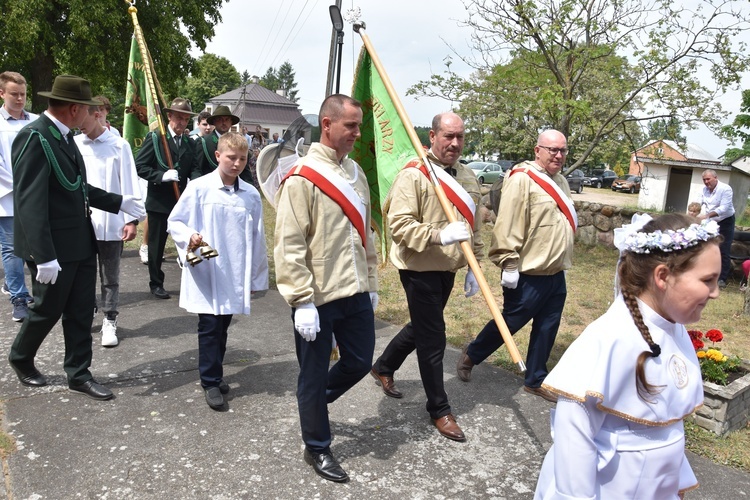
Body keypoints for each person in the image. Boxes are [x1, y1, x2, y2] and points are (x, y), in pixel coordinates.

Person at [534, 213, 720, 499]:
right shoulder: (611, 336)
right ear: (662, 276)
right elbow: (575, 434)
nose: (715, 293)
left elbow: (668, 425)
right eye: (708, 280)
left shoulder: (674, 329)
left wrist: (677, 483)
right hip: (613, 487)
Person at [7, 75, 145, 400]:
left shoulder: (65, 137)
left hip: (81, 241)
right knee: (47, 310)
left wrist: (118, 202)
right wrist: (43, 255)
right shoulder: (35, 138)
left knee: (81, 310)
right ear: (73, 109)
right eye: (87, 108)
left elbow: (77, 188)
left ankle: (79, 373)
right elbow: (29, 202)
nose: (91, 114)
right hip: (53, 248)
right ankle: (21, 357)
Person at [274, 94, 378, 483]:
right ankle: (317, 445)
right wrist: (300, 300)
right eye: (350, 125)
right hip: (316, 298)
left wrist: (371, 281)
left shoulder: (356, 174)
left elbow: (366, 233)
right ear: (327, 124)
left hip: (354, 292)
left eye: (359, 126)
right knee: (313, 375)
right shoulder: (302, 176)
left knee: (359, 361)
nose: (356, 133)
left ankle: (313, 404)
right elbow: (289, 242)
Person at [370, 112, 482, 442]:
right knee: (433, 337)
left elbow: (474, 225)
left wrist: (472, 264)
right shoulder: (415, 176)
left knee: (421, 326)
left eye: (460, 136)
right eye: (448, 136)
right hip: (419, 267)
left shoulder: (468, 176)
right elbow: (399, 226)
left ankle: (384, 365)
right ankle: (439, 409)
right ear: (432, 136)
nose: (455, 143)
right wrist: (440, 235)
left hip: (448, 266)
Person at [456, 129, 576, 403]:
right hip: (528, 272)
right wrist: (508, 263)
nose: (558, 155)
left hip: (555, 272)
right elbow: (507, 223)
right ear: (538, 150)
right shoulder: (521, 179)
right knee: (510, 322)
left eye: (563, 150)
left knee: (548, 327)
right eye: (552, 150)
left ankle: (536, 378)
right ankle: (472, 355)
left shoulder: (560, 181)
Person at [168, 132, 268, 410]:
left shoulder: (250, 194)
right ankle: (210, 380)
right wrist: (189, 235)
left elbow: (257, 236)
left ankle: (216, 371)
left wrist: (255, 276)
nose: (236, 164)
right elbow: (175, 221)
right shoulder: (200, 188)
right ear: (218, 156)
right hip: (209, 270)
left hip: (234, 270)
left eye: (242, 159)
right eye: (231, 157)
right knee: (210, 326)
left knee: (223, 325)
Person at [74, 97, 143, 347]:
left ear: (97, 115)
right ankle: (87, 309)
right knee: (83, 273)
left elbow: (129, 182)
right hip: (81, 222)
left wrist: (131, 219)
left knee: (109, 274)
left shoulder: (118, 145)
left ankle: (110, 318)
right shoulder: (75, 144)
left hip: (112, 221)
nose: (78, 125)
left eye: (82, 119)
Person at [135, 98, 201, 299]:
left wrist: (194, 184)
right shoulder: (156, 139)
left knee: (188, 243)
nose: (182, 122)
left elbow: (196, 169)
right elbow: (139, 166)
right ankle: (156, 283)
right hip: (159, 202)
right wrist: (161, 176)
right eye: (178, 117)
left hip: (181, 202)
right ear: (169, 116)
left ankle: (193, 280)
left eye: (186, 119)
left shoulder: (191, 143)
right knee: (156, 246)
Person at [0, 71, 36, 322]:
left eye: (23, 94)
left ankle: (43, 293)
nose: (20, 99)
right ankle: (19, 297)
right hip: (9, 197)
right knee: (12, 250)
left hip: (36, 197)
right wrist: (22, 185)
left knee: (38, 246)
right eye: (15, 94)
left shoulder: (35, 121)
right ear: (2, 93)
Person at [195, 105, 254, 184]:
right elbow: (197, 170)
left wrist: (250, 190)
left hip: (233, 188)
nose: (224, 122)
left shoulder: (237, 142)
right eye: (220, 119)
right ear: (214, 122)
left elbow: (245, 172)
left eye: (227, 119)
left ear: (231, 123)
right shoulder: (204, 142)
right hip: (211, 186)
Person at [698, 168, 734, 288]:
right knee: (707, 247)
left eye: (708, 179)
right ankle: (707, 275)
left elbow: (723, 208)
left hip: (725, 221)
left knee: (724, 249)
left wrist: (706, 216)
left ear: (715, 178)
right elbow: (698, 203)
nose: (706, 182)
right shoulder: (704, 190)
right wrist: (693, 213)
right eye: (704, 180)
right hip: (710, 222)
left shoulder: (725, 189)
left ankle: (722, 279)